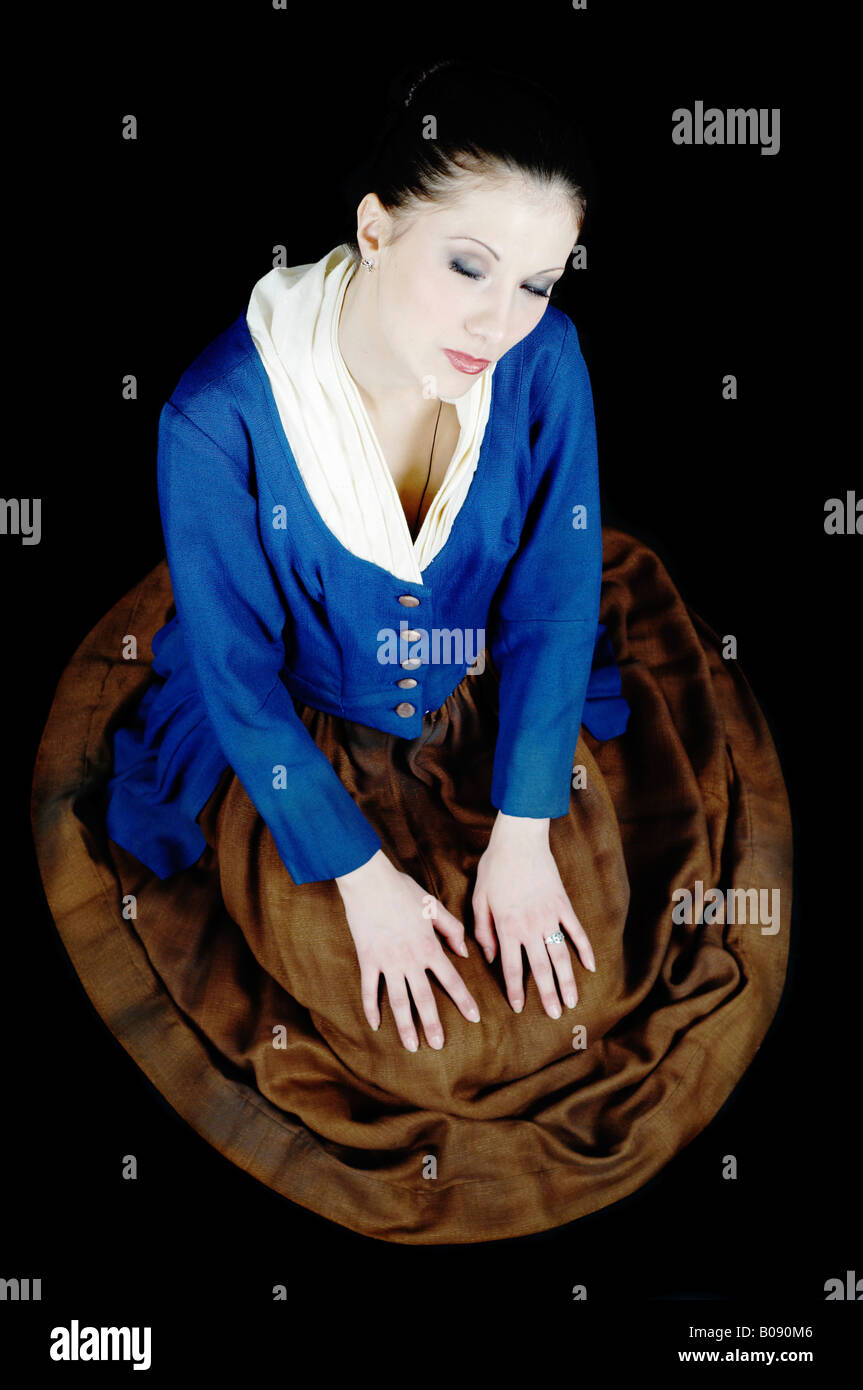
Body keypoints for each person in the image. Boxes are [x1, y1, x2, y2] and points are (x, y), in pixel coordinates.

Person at [31, 57, 791, 1244]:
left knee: (573, 999)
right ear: (376, 231)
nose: (501, 322)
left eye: (536, 280)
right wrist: (359, 877)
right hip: (303, 740)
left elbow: (549, 595)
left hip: (490, 702)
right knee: (430, 1051)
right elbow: (235, 673)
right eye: (467, 267)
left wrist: (526, 827)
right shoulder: (215, 415)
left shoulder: (543, 363)